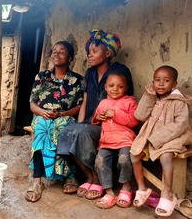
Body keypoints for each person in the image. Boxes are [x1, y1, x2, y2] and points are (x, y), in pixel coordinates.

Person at [57, 29, 134, 200]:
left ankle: (99, 179)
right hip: (91, 122)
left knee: (82, 133)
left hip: (111, 127)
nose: (89, 56)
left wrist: (86, 127)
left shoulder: (120, 70)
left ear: (108, 53)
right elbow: (84, 101)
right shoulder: (90, 73)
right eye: (88, 52)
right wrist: (81, 123)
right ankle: (90, 175)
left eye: (94, 52)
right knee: (67, 132)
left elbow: (127, 100)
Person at [25, 41, 83, 202]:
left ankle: (70, 176)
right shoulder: (41, 77)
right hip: (42, 116)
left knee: (63, 127)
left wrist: (61, 114)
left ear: (70, 58)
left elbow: (79, 106)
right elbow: (32, 104)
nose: (56, 54)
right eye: (54, 51)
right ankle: (37, 180)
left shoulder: (77, 80)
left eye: (62, 52)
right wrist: (43, 112)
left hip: (65, 116)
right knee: (43, 127)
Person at [130, 65, 192, 217]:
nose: (161, 84)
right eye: (157, 80)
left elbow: (181, 125)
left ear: (174, 84)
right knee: (134, 155)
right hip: (151, 136)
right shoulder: (154, 98)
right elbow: (140, 115)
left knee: (165, 157)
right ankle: (142, 188)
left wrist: (158, 138)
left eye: (166, 80)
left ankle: (167, 194)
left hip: (174, 137)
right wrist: (148, 96)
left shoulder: (179, 102)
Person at [91, 71, 138, 209]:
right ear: (105, 87)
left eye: (120, 86)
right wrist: (97, 118)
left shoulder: (130, 101)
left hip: (125, 140)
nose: (115, 89)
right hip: (106, 141)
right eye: (111, 85)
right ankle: (109, 192)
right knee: (100, 161)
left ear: (126, 88)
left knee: (124, 159)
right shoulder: (103, 102)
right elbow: (96, 116)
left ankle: (126, 187)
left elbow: (133, 121)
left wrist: (115, 114)